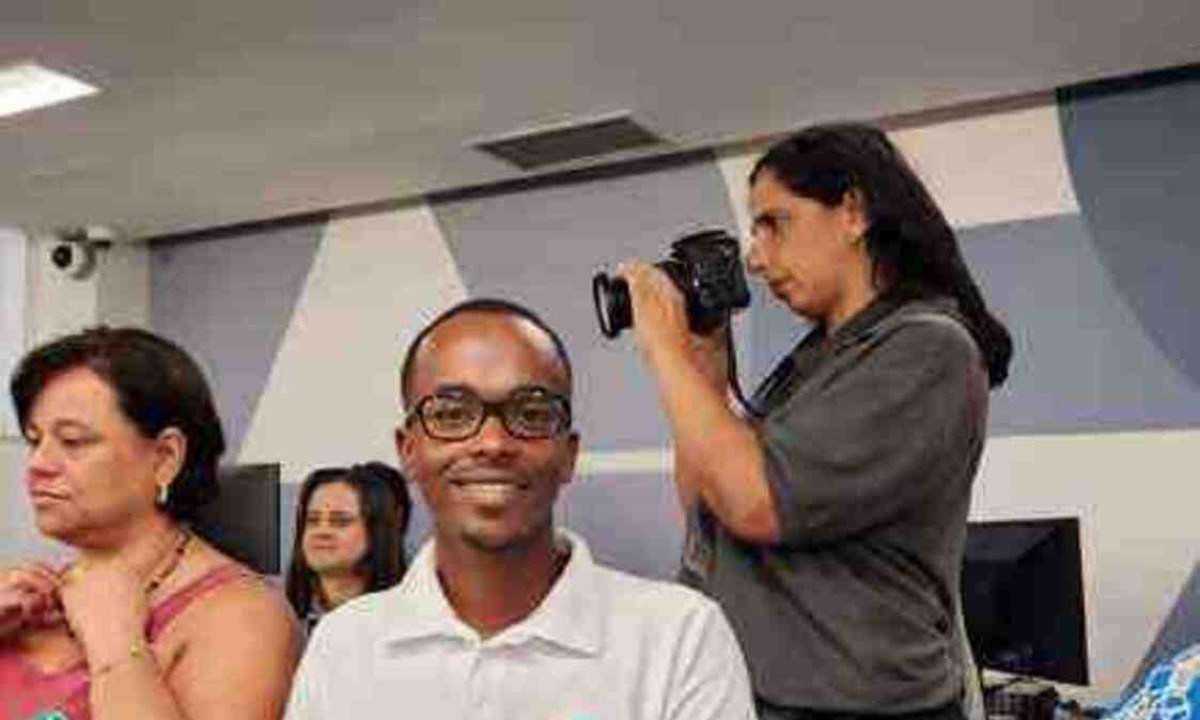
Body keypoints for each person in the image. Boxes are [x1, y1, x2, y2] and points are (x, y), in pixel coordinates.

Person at [619, 123, 1013, 720]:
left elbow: (756, 502)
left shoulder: (929, 350)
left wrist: (664, 350)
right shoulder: (815, 361)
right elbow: (710, 501)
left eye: (774, 223)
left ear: (853, 212)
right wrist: (701, 370)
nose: (755, 258)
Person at [285, 299, 755, 719]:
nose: (491, 443)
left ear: (569, 454)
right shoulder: (344, 645)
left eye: (531, 414)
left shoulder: (679, 638)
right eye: (451, 415)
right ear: (409, 451)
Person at [0, 327, 299, 720]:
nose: (38, 465)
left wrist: (117, 644)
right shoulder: (28, 602)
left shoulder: (244, 618)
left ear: (164, 457)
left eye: (72, 441)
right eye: (36, 441)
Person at [284, 462, 411, 637]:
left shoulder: (410, 623)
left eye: (341, 522)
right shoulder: (278, 619)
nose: (322, 531)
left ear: (376, 532)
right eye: (312, 520)